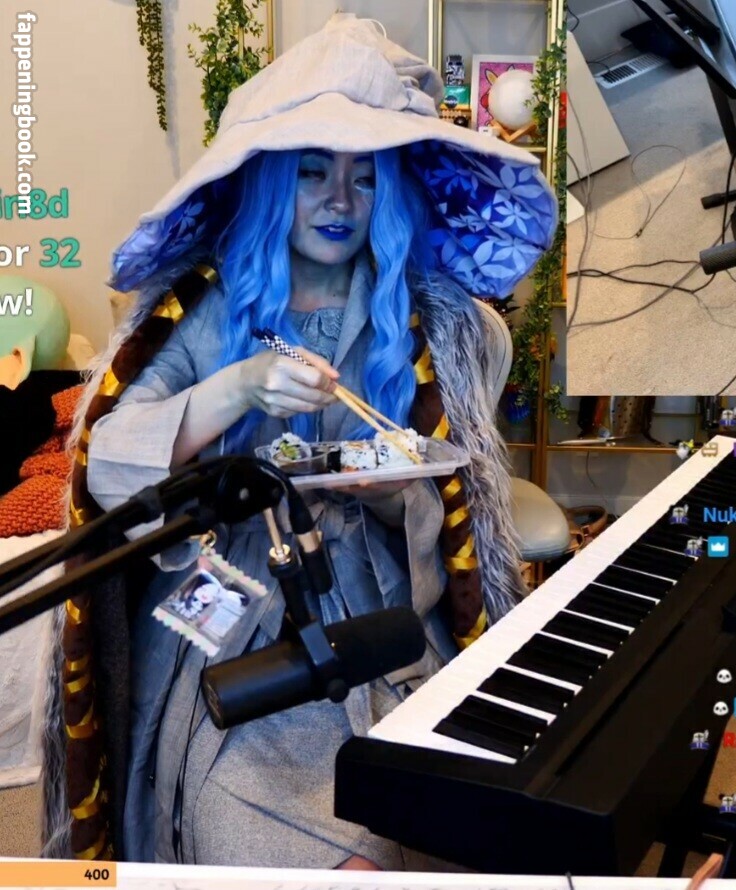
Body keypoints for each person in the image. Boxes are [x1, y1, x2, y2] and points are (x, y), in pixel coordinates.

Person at [42, 14, 556, 870]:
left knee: (412, 829)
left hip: (381, 614)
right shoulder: (208, 313)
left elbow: (442, 526)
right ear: (274, 181)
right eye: (313, 172)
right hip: (235, 619)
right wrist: (235, 388)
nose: (339, 201)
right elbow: (110, 469)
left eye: (365, 177)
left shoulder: (421, 326)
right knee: (256, 838)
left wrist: (389, 492)